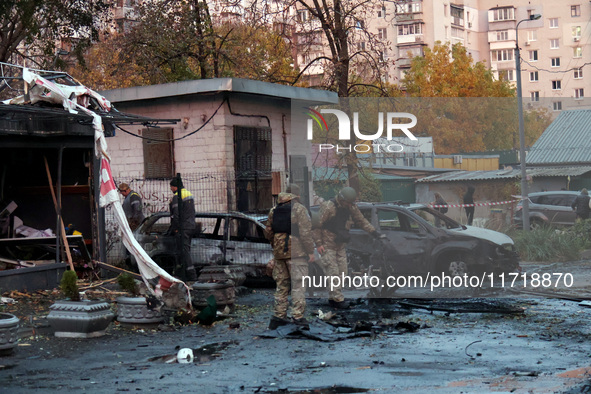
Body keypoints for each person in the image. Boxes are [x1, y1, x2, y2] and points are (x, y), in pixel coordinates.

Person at [317, 186, 384, 309]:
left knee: (343, 272)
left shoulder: (350, 207)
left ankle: (334, 298)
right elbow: (316, 225)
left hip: (340, 244)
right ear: (342, 200)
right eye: (348, 202)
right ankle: (337, 299)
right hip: (327, 244)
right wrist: (318, 243)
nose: (350, 205)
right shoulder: (328, 207)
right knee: (333, 272)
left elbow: (361, 220)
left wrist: (374, 233)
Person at [265, 184, 315, 329]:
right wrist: (310, 251)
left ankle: (278, 317)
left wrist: (276, 245)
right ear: (297, 196)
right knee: (298, 286)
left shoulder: (274, 210)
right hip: (297, 254)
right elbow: (305, 233)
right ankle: (298, 317)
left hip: (280, 254)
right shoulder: (299, 209)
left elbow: (268, 231)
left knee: (281, 286)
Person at [168, 178, 197, 281]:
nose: (171, 188)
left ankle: (191, 275)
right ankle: (183, 273)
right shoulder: (188, 194)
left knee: (184, 251)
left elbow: (176, 215)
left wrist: (175, 228)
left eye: (171, 186)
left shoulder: (177, 196)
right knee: (186, 249)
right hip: (191, 226)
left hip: (183, 227)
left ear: (175, 186)